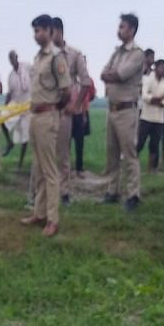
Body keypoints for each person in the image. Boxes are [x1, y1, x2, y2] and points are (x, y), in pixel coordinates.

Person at [21, 14, 70, 236]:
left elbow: (67, 91)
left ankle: (53, 219)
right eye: (35, 31)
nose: (36, 34)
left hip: (48, 116)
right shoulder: (39, 58)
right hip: (35, 116)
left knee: (50, 170)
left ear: (50, 31)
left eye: (40, 30)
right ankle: (39, 213)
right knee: (38, 168)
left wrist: (54, 108)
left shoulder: (56, 58)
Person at [101, 14, 145, 211]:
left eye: (123, 27)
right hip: (112, 108)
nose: (119, 30)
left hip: (127, 110)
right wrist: (110, 75)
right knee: (112, 153)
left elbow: (119, 74)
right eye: (119, 27)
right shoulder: (117, 52)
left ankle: (133, 194)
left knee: (129, 154)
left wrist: (111, 75)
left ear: (132, 30)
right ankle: (112, 191)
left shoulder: (137, 54)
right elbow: (104, 72)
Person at [53, 17, 93, 204]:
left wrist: (76, 106)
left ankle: (64, 192)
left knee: (63, 153)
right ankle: (44, 191)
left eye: (52, 32)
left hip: (64, 111)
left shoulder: (74, 55)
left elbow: (86, 82)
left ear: (60, 32)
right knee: (45, 153)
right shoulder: (45, 56)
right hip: (46, 110)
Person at [138, 60, 164, 173]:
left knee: (155, 145)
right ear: (155, 68)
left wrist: (153, 99)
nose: (162, 70)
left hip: (159, 119)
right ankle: (132, 165)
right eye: (160, 67)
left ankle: (152, 168)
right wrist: (157, 99)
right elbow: (144, 96)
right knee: (140, 142)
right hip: (146, 117)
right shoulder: (147, 79)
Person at [5, 50, 31, 170]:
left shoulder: (26, 67)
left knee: (25, 137)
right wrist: (5, 105)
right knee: (2, 118)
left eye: (13, 57)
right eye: (10, 58)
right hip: (16, 106)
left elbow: (37, 77)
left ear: (17, 57)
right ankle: (9, 142)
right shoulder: (10, 76)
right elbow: (9, 93)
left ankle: (20, 164)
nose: (12, 60)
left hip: (28, 107)